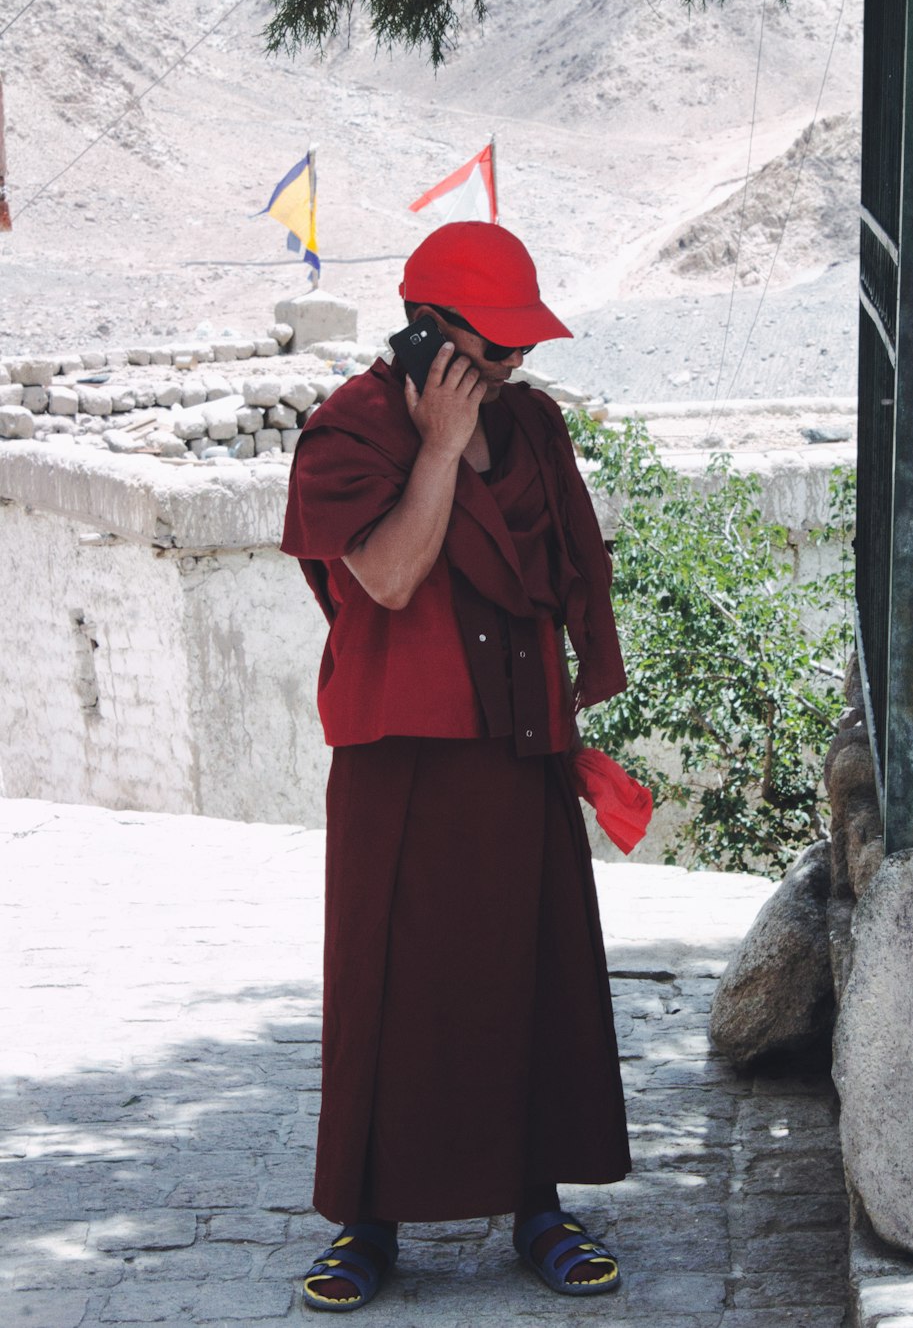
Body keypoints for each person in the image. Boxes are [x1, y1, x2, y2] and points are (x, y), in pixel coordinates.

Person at [281, 221, 632, 1312]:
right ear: (428, 332)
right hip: (403, 755)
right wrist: (436, 446)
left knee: (534, 975)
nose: (515, 367)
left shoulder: (529, 425)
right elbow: (386, 578)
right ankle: (366, 1225)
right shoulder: (351, 430)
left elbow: (563, 568)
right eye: (496, 347)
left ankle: (537, 1204)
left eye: (523, 350)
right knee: (391, 986)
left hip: (518, 740)